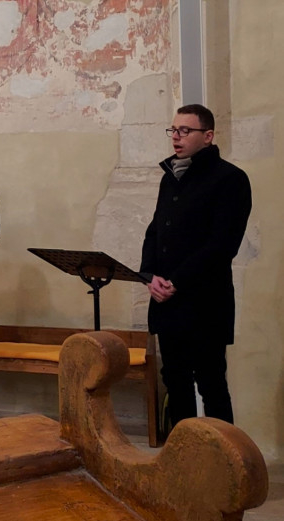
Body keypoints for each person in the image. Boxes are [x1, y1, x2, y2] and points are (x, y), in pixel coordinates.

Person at [140, 104, 251, 428]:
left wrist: (176, 281)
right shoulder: (170, 178)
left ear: (208, 136)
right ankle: (183, 451)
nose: (176, 137)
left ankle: (224, 453)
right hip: (167, 301)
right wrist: (149, 276)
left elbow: (222, 245)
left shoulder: (230, 179)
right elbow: (155, 231)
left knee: (211, 382)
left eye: (185, 130)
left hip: (205, 303)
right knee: (175, 380)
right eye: (173, 130)